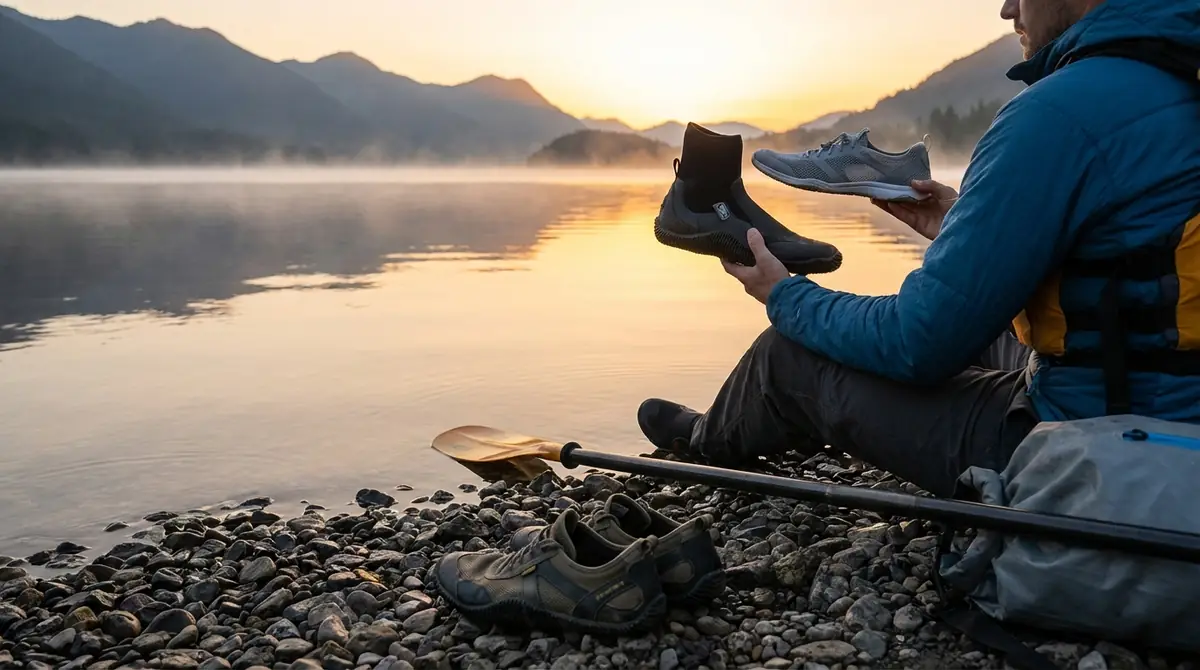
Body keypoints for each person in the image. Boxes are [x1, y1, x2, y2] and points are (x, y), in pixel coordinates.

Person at [637, 0, 1200, 498]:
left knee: (788, 355)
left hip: (1101, 449)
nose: (1008, 10)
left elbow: (919, 342)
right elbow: (1143, 256)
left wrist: (783, 293)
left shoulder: (1061, 112)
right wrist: (964, 224)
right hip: (1168, 402)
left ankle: (707, 440)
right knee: (985, 327)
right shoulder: (1177, 80)